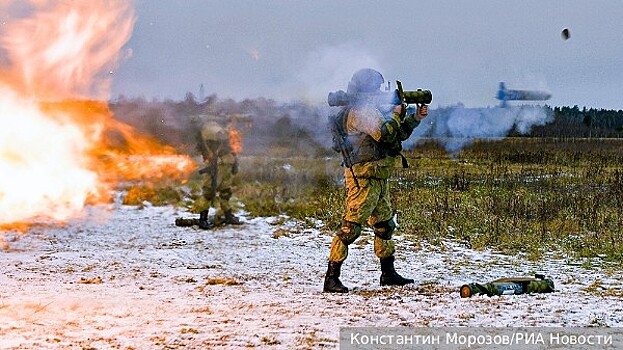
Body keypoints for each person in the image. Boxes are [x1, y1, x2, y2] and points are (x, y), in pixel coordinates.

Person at [323, 68, 429, 293]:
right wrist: (397, 114)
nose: (381, 92)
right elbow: (385, 134)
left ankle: (388, 273)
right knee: (350, 228)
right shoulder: (361, 113)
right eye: (377, 89)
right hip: (363, 178)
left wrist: (415, 118)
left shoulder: (372, 110)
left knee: (384, 226)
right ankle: (331, 277)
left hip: (378, 176)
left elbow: (397, 135)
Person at [195, 117, 243, 228]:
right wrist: (230, 127)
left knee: (226, 191)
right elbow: (221, 136)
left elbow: (231, 147)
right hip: (216, 165)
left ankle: (228, 215)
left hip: (226, 165)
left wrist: (234, 163)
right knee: (208, 193)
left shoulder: (219, 128)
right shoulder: (210, 128)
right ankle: (203, 219)